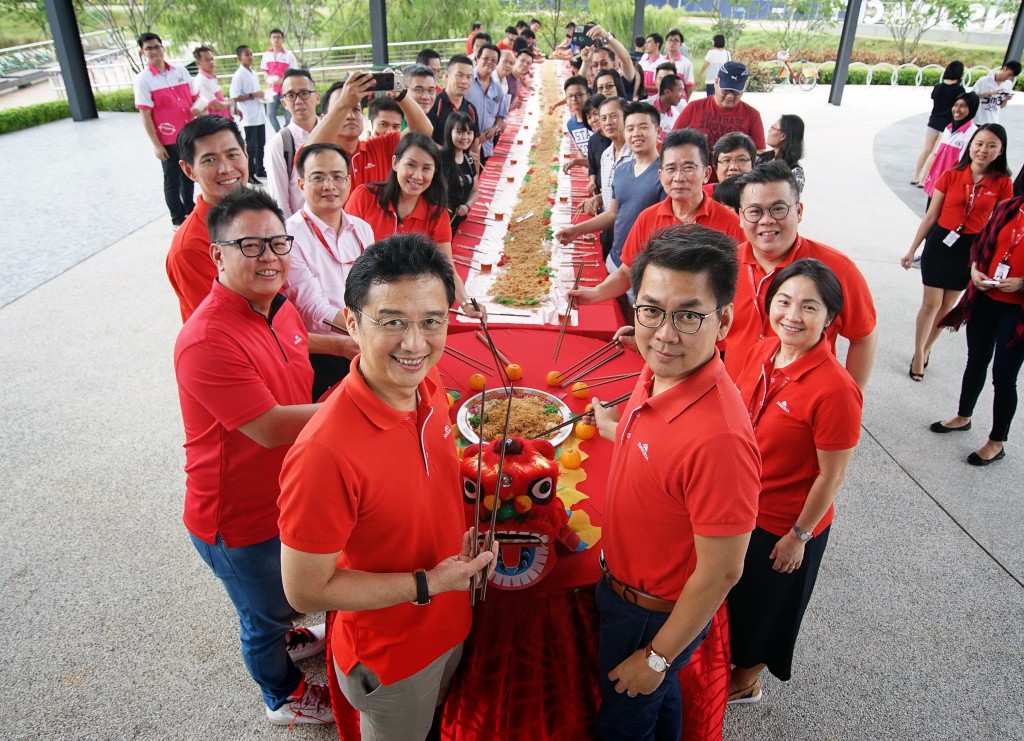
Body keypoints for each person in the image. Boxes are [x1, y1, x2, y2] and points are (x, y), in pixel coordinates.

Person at [277, 234, 497, 740]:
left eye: (431, 321)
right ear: (353, 322)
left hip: (451, 622)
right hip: (392, 656)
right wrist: (428, 584)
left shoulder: (429, 385)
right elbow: (305, 587)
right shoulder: (323, 453)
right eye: (392, 321)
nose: (415, 343)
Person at [588, 225, 760, 741]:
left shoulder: (722, 440)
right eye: (651, 310)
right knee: (658, 714)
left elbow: (723, 571)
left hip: (649, 616)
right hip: (621, 585)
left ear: (724, 319)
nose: (665, 333)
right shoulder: (660, 371)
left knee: (626, 721)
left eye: (688, 315)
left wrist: (658, 657)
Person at [174, 185, 331, 727]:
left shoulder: (274, 304)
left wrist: (348, 344)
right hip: (236, 516)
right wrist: (363, 400)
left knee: (287, 598)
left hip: (283, 491)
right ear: (216, 254)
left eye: (278, 243)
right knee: (261, 614)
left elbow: (295, 339)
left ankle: (287, 633)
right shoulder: (206, 339)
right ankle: (280, 693)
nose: (270, 257)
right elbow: (266, 428)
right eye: (251, 246)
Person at [728, 258, 862, 706]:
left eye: (809, 307)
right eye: (783, 301)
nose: (791, 315)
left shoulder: (836, 389)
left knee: (766, 609)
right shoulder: (765, 349)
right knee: (735, 596)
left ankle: (746, 682)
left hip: (783, 523)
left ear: (829, 318)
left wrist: (798, 535)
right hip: (740, 504)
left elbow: (833, 473)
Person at [730, 161, 878, 390]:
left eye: (778, 208)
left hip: (804, 408)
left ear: (798, 211)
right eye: (755, 211)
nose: (766, 220)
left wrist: (850, 396)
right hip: (736, 402)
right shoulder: (725, 265)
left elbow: (864, 337)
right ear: (741, 216)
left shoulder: (838, 269)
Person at [570, 128, 744, 306]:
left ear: (706, 174)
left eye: (688, 168)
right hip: (657, 319)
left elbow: (742, 285)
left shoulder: (731, 224)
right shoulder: (648, 217)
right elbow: (627, 272)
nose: (678, 177)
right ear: (661, 176)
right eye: (671, 169)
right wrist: (594, 293)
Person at [901, 124, 1013, 381]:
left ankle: (928, 347)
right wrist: (912, 249)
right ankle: (919, 354)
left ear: (1000, 151)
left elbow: (999, 228)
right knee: (931, 303)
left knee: (947, 307)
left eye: (991, 145)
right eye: (979, 143)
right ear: (970, 145)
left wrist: (986, 263)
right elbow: (931, 216)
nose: (983, 150)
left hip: (971, 249)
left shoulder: (1003, 183)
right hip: (940, 244)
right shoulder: (951, 175)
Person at [345, 133, 482, 318]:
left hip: (410, 306)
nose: (417, 176)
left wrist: (466, 302)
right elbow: (345, 257)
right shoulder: (364, 197)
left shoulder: (437, 214)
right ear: (395, 163)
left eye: (426, 168)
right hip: (365, 300)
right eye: (410, 165)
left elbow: (447, 267)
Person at [932, 192, 1024, 465]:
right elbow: (981, 243)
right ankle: (963, 416)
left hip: (1017, 311)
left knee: (1004, 377)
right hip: (985, 299)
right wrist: (974, 269)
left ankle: (997, 441)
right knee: (976, 361)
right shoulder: (1010, 207)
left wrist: (1022, 283)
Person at [283, 143, 373, 401]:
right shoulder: (289, 236)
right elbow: (313, 309)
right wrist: (370, 329)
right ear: (301, 184)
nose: (329, 185)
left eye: (337, 177)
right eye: (318, 177)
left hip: (367, 340)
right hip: (323, 354)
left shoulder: (362, 228)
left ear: (348, 181)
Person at [555, 101, 665, 273]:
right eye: (630, 129)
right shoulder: (621, 171)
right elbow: (612, 213)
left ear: (658, 131)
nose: (636, 134)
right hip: (616, 258)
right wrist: (577, 230)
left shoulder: (665, 175)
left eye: (643, 127)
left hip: (644, 266)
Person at [166, 115, 248, 322]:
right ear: (188, 170)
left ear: (246, 153)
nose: (226, 168)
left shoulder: (259, 216)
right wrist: (336, 345)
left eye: (232, 154)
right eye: (209, 160)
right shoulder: (191, 246)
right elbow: (231, 325)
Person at [306, 70, 433, 198]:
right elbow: (308, 152)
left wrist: (401, 95)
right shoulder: (317, 158)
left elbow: (423, 130)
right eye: (342, 109)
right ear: (323, 119)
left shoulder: (381, 147)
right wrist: (344, 102)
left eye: (356, 109)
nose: (350, 116)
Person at [134, 32, 196, 229]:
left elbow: (195, 97)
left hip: (188, 134)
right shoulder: (143, 80)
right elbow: (145, 114)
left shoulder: (180, 72)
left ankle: (190, 209)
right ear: (142, 53)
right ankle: (177, 218)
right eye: (149, 48)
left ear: (163, 48)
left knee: (190, 174)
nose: (154, 51)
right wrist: (156, 144)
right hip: (168, 139)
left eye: (156, 46)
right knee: (172, 179)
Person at [673, 61, 765, 169]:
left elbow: (760, 153)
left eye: (736, 92)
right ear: (716, 82)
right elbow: (673, 141)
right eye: (725, 91)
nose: (730, 96)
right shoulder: (694, 108)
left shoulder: (752, 115)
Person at [264, 69, 320, 219]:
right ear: (284, 103)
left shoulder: (335, 134)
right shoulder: (280, 143)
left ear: (317, 97)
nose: (298, 101)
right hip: (303, 232)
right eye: (291, 95)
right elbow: (280, 200)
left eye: (304, 93)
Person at [911, 61, 965, 185]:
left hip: (933, 120)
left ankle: (915, 176)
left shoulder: (938, 87)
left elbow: (934, 99)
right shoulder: (959, 90)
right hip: (946, 124)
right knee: (934, 153)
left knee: (926, 149)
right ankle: (924, 180)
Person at [922, 92, 980, 199]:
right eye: (956, 105)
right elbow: (937, 156)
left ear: (972, 109)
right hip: (937, 181)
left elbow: (965, 163)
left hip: (951, 186)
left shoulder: (972, 133)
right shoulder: (948, 128)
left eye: (963, 106)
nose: (957, 109)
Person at [230, 45, 268, 184]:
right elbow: (234, 96)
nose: (250, 57)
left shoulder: (253, 72)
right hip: (249, 116)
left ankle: (260, 168)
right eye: (247, 54)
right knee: (251, 146)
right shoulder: (238, 76)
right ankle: (250, 173)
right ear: (239, 58)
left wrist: (261, 95)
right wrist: (252, 95)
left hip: (258, 113)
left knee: (261, 144)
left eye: (251, 54)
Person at [464, 44, 508, 161]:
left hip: (487, 145)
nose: (489, 62)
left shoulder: (497, 89)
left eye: (494, 60)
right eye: (485, 58)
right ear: (477, 59)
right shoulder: (466, 82)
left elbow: (501, 116)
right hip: (465, 144)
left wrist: (495, 128)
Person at [439, 112, 480, 232]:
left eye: (469, 133)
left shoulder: (469, 159)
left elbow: (475, 191)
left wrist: (467, 206)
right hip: (443, 224)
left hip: (461, 222)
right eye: (459, 132)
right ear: (449, 132)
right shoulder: (440, 160)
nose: (465, 137)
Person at [427, 55, 479, 148]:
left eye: (469, 77)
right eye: (460, 75)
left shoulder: (471, 109)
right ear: (447, 75)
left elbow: (475, 140)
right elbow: (425, 139)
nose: (464, 81)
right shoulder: (434, 104)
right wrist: (449, 155)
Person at [261, 29, 298, 133]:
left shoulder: (288, 56)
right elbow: (265, 72)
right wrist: (269, 79)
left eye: (278, 37)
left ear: (282, 40)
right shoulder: (266, 55)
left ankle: (288, 132)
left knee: (288, 114)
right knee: (270, 114)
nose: (276, 40)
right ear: (270, 39)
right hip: (272, 90)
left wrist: (283, 80)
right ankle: (279, 133)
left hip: (286, 89)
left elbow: (294, 72)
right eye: (274, 37)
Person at [758, 115, 806, 192]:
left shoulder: (795, 171)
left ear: (783, 136)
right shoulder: (762, 158)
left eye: (772, 128)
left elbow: (792, 199)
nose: (768, 131)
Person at [706, 132, 756, 199]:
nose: (733, 167)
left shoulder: (762, 196)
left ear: (753, 165)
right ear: (715, 167)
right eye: (726, 161)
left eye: (741, 160)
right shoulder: (702, 197)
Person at [971, 61, 1021, 126]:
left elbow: (1001, 106)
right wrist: (992, 93)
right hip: (978, 120)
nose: (1009, 78)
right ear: (1004, 69)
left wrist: (1006, 99)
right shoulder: (984, 80)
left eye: (1011, 76)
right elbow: (972, 97)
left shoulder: (1008, 84)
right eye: (1009, 75)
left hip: (993, 122)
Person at [190, 46, 235, 118]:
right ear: (198, 63)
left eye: (212, 59)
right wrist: (230, 103)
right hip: (216, 124)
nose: (211, 62)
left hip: (223, 120)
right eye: (207, 60)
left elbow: (219, 100)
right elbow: (214, 105)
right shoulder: (202, 81)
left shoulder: (210, 78)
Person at [663, 28, 694, 98]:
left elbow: (689, 86)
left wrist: (685, 101)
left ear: (680, 44)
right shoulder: (660, 61)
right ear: (666, 42)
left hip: (679, 101)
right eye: (670, 40)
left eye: (676, 41)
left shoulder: (686, 63)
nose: (672, 43)